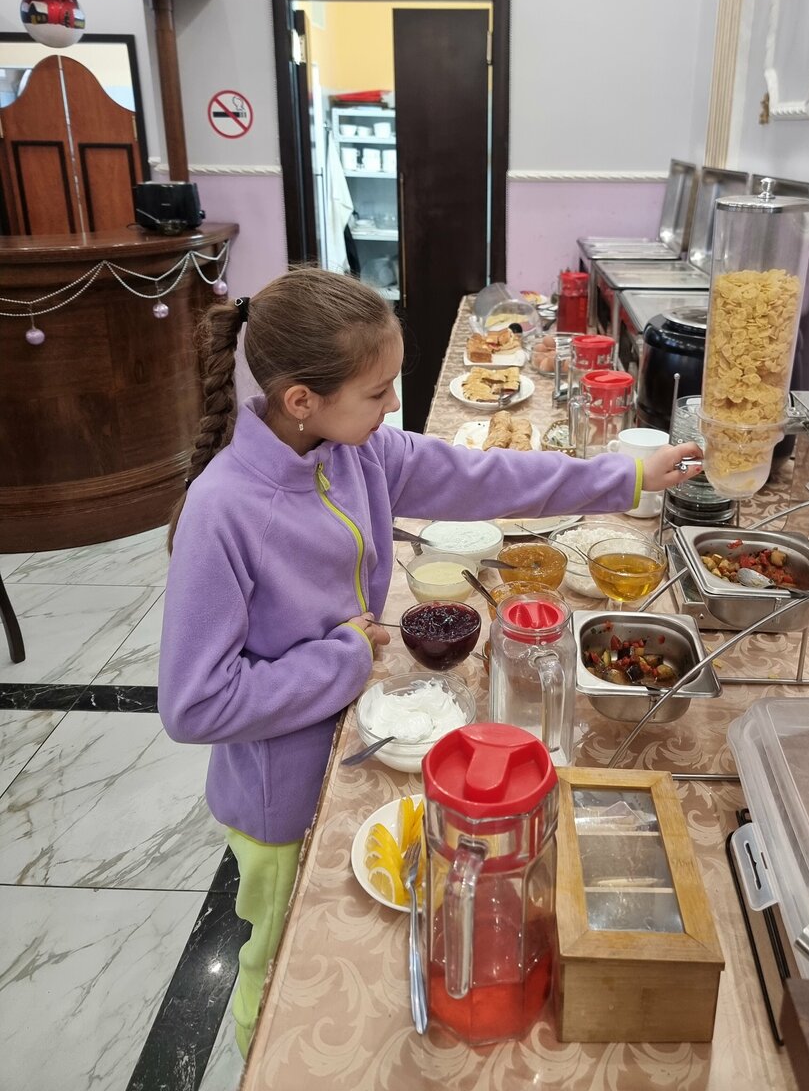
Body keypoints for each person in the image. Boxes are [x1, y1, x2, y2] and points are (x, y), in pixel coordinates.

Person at [158, 266, 701, 1056]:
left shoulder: (355, 453)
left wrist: (621, 475)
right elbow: (193, 703)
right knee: (273, 970)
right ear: (301, 400)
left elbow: (484, 476)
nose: (391, 408)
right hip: (281, 798)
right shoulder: (224, 511)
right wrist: (342, 658)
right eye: (377, 392)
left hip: (353, 741)